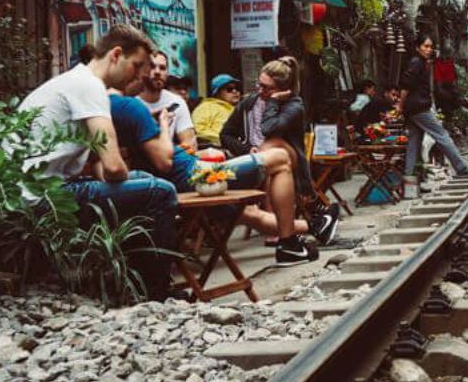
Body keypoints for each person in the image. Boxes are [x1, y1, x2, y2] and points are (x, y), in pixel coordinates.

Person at [20, 24, 178, 299]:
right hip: (46, 199)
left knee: (144, 181)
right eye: (137, 65)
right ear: (116, 55)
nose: (141, 75)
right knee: (162, 192)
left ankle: (131, 283)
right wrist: (117, 171)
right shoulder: (89, 86)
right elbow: (114, 167)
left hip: (40, 192)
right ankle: (156, 294)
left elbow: (105, 168)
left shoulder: (75, 81)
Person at [107, 90, 313, 246]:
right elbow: (165, 161)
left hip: (197, 169)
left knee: (250, 214)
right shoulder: (128, 106)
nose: (154, 72)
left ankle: (314, 226)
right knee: (279, 157)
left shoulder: (128, 107)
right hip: (197, 178)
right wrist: (162, 125)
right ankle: (289, 244)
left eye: (161, 67)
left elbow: (188, 146)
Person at [216, 58, 326, 264]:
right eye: (259, 84)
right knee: (265, 159)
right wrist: (248, 149)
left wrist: (273, 101)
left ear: (282, 90)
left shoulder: (294, 104)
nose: (260, 91)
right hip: (254, 158)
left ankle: (286, 237)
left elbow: (269, 129)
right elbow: (226, 134)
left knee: (272, 149)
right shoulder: (248, 103)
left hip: (286, 160)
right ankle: (312, 227)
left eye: (267, 88)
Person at [400, 33, 468, 197]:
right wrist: (400, 105)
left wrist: (404, 107)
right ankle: (461, 167)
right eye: (425, 46)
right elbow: (406, 84)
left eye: (430, 47)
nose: (428, 49)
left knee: (414, 144)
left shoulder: (421, 62)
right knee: (442, 135)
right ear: (418, 47)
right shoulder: (417, 62)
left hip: (414, 108)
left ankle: (410, 187)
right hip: (418, 108)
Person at [136, 51, 196, 153]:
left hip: (171, 162)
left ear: (167, 73)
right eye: (152, 67)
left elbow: (190, 148)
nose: (157, 72)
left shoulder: (178, 102)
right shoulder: (131, 101)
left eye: (162, 68)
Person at [192, 74, 240, 147]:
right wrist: (225, 139)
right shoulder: (206, 107)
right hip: (218, 149)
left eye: (237, 88)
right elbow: (198, 129)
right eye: (229, 89)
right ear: (217, 92)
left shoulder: (240, 108)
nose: (235, 91)